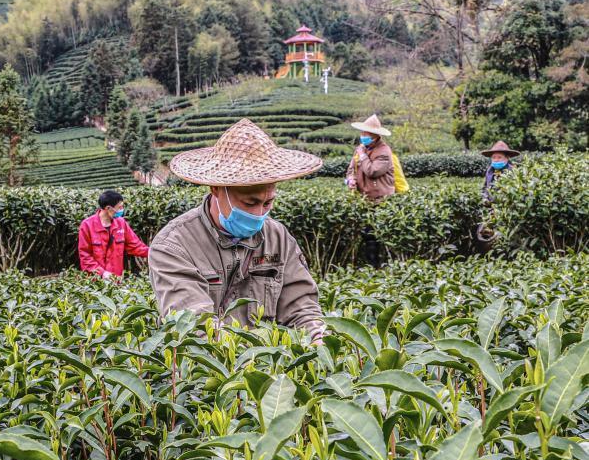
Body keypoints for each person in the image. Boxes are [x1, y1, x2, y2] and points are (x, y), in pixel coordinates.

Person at [149, 119, 325, 342]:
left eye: (268, 203)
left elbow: (301, 308)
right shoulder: (174, 245)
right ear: (216, 188)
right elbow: (194, 325)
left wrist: (317, 338)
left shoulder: (278, 238)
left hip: (272, 369)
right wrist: (248, 355)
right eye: (249, 203)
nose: (259, 213)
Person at [78, 190, 149, 279]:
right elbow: (85, 255)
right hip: (94, 280)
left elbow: (135, 246)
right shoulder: (87, 225)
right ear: (108, 208)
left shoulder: (121, 223)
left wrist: (153, 252)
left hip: (115, 278)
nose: (122, 210)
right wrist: (102, 273)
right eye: (119, 207)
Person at [344, 114, 395, 202]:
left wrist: (363, 155)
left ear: (375, 136)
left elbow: (372, 172)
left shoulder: (384, 152)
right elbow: (351, 170)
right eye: (362, 132)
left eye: (365, 133)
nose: (362, 135)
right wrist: (350, 180)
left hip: (380, 199)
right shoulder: (361, 148)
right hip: (362, 198)